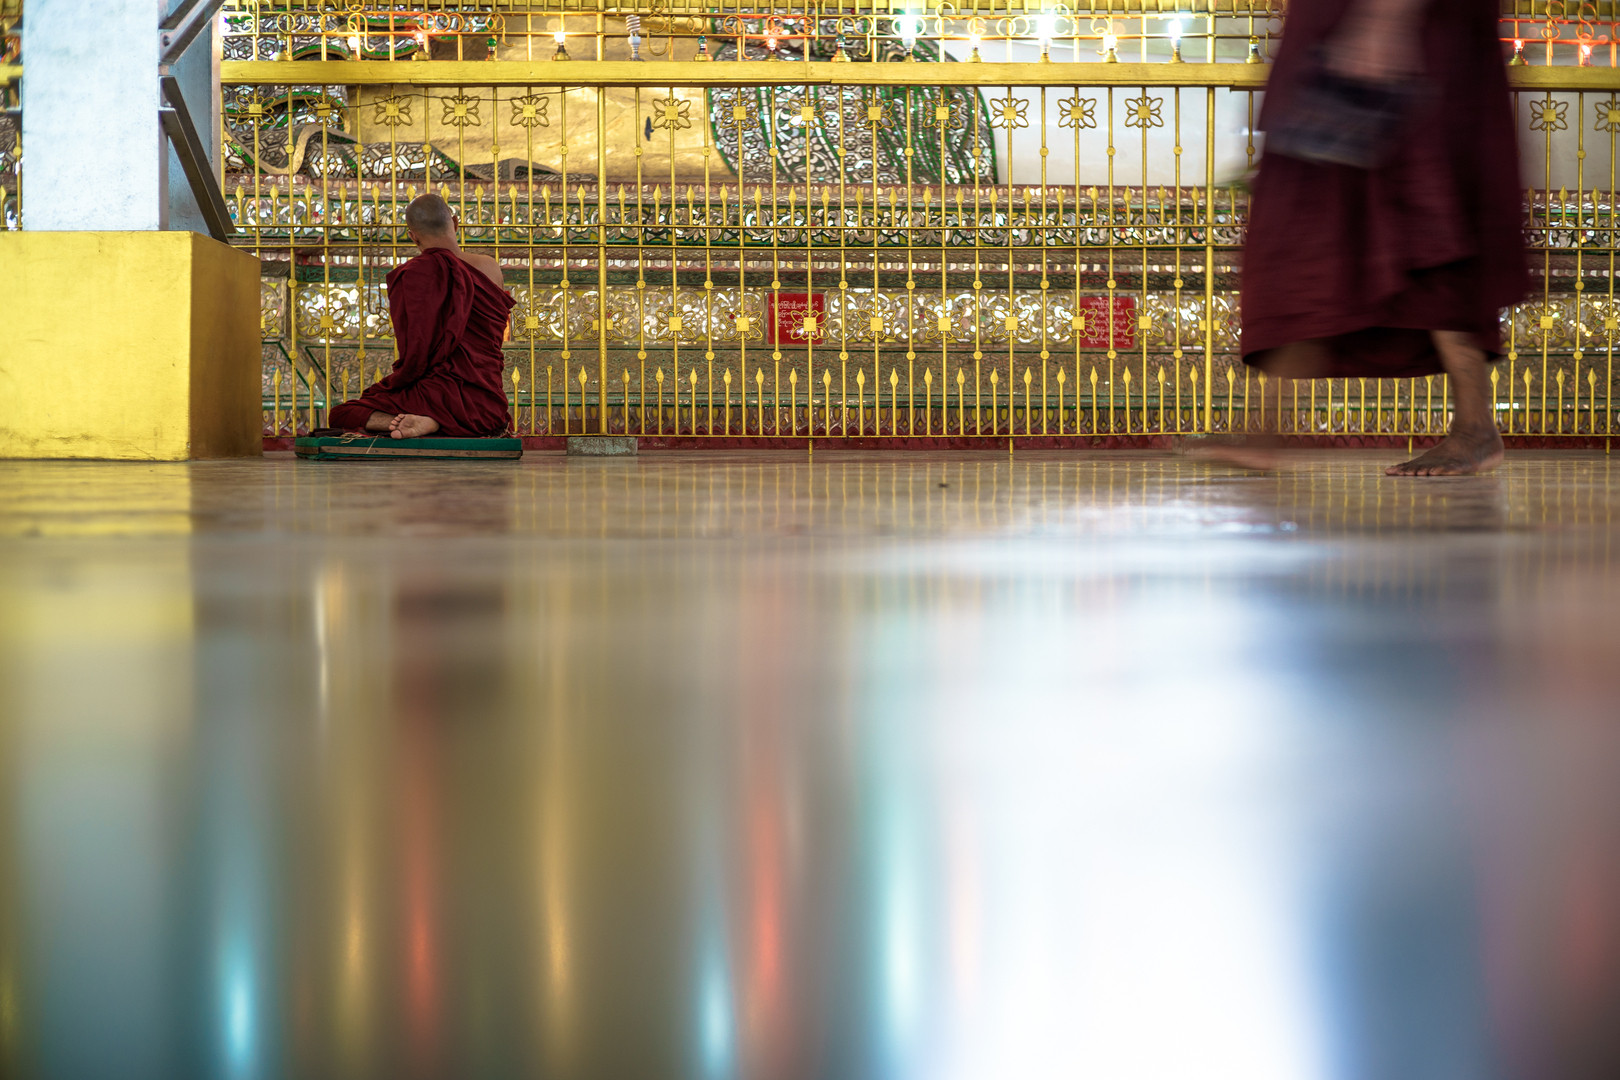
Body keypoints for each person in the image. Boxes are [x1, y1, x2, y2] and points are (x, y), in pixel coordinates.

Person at [1238, 0, 1526, 475]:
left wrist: (1384, 19)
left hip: (1395, 36)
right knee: (1310, 233)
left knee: (1425, 224)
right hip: (1340, 33)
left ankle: (1475, 426)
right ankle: (1263, 435)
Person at [327, 194, 516, 439]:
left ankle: (403, 421)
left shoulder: (414, 273)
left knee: (342, 414)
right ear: (455, 223)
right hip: (485, 404)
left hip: (432, 395)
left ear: (413, 236)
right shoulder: (490, 267)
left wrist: (399, 381)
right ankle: (433, 420)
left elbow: (415, 354)